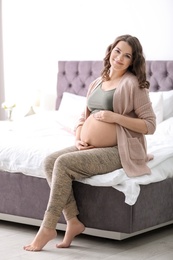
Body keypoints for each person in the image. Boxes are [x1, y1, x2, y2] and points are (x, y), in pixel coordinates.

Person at [24, 34, 156, 251]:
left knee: (63, 164)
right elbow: (84, 118)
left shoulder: (134, 85)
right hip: (90, 146)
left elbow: (150, 125)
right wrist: (79, 136)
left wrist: (116, 118)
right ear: (110, 51)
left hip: (118, 150)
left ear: (133, 61)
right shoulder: (97, 82)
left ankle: (48, 227)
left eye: (127, 55)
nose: (120, 58)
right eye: (117, 51)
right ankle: (73, 221)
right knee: (50, 161)